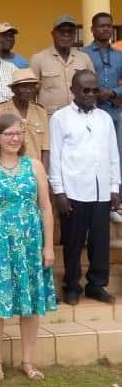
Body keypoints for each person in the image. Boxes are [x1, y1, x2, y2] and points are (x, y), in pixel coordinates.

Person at [0, 113, 57, 382]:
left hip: (30, 244)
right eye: (8, 133)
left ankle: (27, 361)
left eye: (19, 133)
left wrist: (49, 246)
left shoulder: (34, 166)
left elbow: (46, 207)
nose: (14, 138)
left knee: (30, 303)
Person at [50, 70, 119, 305]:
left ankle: (96, 285)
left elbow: (113, 155)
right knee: (73, 243)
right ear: (73, 90)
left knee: (100, 243)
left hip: (101, 192)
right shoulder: (60, 118)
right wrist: (59, 191)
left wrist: (114, 187)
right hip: (74, 191)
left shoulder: (104, 118)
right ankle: (71, 286)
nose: (90, 94)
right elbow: (55, 157)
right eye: (85, 90)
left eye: (94, 90)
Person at [30, 15, 95, 116]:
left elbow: (93, 89)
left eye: (70, 32)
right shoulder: (38, 59)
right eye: (61, 31)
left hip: (80, 116)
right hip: (50, 117)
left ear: (74, 35)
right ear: (53, 34)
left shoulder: (84, 58)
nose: (66, 35)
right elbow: (31, 93)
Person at [0, 69, 50, 168]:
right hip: (7, 169)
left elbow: (45, 147)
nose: (29, 90)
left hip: (35, 169)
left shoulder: (41, 111)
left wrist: (44, 172)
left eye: (32, 86)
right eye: (24, 86)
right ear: (13, 89)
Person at [82, 12, 122, 125]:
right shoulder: (82, 54)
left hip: (115, 111)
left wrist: (114, 92)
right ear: (92, 29)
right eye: (101, 26)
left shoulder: (120, 55)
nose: (105, 29)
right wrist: (95, 93)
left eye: (109, 26)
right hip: (90, 111)